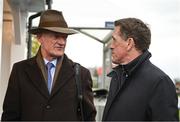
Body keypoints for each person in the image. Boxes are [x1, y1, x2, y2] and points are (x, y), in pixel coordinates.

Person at [1, 9, 96, 121]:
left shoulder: (81, 75)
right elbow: (10, 116)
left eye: (64, 37)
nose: (62, 42)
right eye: (56, 36)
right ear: (39, 37)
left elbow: (89, 118)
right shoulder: (20, 70)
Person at [102, 18, 179, 121]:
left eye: (114, 40)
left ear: (129, 43)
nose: (111, 46)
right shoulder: (117, 76)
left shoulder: (160, 82)